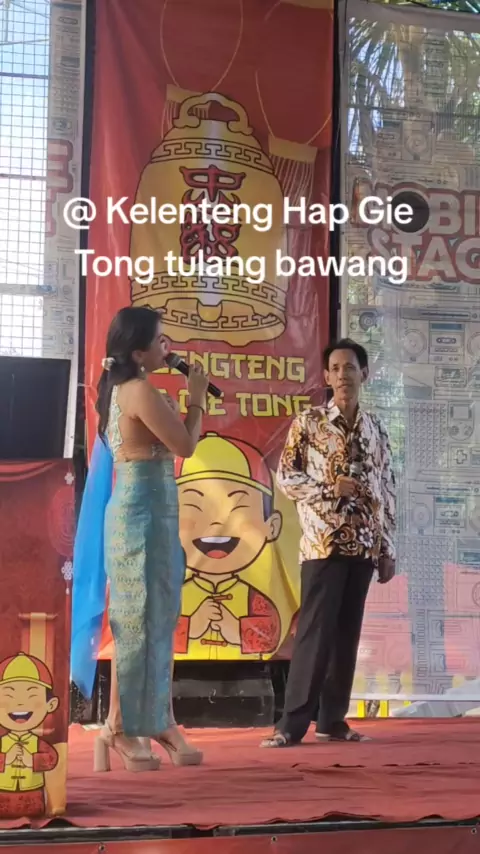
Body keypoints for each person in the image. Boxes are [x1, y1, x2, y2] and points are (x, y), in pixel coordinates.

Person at [71, 306, 209, 771]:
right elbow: (186, 446)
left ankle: (155, 720)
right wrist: (196, 399)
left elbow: (173, 443)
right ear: (137, 352)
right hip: (138, 515)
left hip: (155, 511)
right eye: (160, 340)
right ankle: (120, 727)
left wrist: (182, 407)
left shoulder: (133, 389)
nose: (167, 347)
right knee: (134, 621)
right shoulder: (137, 391)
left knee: (158, 617)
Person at [261, 338, 396, 748]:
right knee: (315, 633)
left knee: (346, 635)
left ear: (364, 374)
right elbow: (287, 478)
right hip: (323, 542)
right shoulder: (310, 422)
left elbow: (387, 487)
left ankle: (332, 720)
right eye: (335, 369)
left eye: (350, 368)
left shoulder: (375, 428)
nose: (342, 375)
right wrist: (328, 489)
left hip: (365, 544)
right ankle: (291, 724)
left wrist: (387, 547)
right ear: (326, 377)